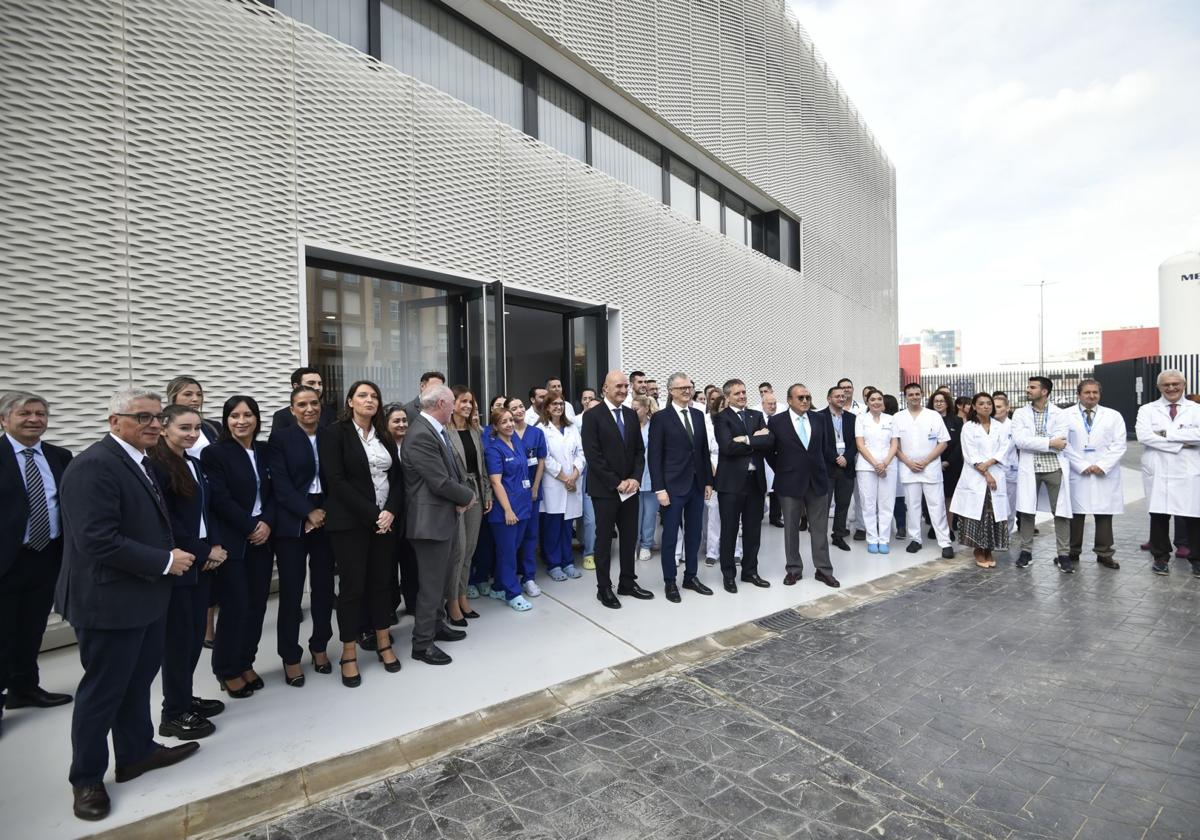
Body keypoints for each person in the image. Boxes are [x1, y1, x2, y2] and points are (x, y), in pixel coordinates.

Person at [57, 388, 199, 821]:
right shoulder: (94, 466)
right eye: (143, 417)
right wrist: (164, 561)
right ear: (114, 420)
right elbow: (97, 540)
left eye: (157, 417)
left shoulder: (141, 460)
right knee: (103, 692)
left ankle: (136, 753)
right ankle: (86, 779)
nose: (154, 425)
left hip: (144, 596)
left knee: (137, 682)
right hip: (108, 601)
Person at [147, 406, 226, 738]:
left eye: (196, 428)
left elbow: (208, 511)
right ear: (164, 429)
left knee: (193, 636)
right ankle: (173, 713)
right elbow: (168, 523)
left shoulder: (192, 463)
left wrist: (214, 548)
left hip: (203, 562)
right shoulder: (157, 467)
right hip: (182, 565)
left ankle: (184, 698)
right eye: (184, 428)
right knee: (179, 641)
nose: (192, 434)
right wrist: (204, 550)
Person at [319, 380, 403, 685]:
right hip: (351, 523)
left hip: (385, 522)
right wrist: (374, 514)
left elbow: (397, 476)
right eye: (363, 395)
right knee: (353, 589)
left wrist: (390, 511)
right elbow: (336, 481)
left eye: (374, 396)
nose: (370, 400)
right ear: (350, 401)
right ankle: (349, 652)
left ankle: (384, 642)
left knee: (383, 583)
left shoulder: (384, 434)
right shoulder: (334, 434)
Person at [1, 393, 73, 735]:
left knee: (31, 627)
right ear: (4, 420)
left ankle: (24, 688)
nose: (34, 419)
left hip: (46, 556)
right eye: (25, 413)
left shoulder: (60, 456)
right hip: (6, 560)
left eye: (40, 413)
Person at [202, 396, 275, 696]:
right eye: (234, 416)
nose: (241, 421)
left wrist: (267, 522)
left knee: (258, 606)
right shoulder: (215, 453)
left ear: (257, 419)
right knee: (235, 606)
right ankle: (226, 669)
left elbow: (275, 491)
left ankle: (246, 661)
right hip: (235, 540)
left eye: (247, 415)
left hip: (264, 537)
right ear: (226, 420)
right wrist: (250, 526)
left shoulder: (265, 450)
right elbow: (219, 498)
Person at [267, 386, 336, 686]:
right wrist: (308, 512)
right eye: (302, 404)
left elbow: (339, 479)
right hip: (294, 522)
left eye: (314, 403)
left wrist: (324, 512)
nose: (309, 408)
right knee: (292, 594)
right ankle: (290, 656)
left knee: (323, 589)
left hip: (327, 517)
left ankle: (319, 646)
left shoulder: (331, 435)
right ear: (292, 409)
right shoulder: (280, 438)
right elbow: (280, 485)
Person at [404, 384, 476, 664]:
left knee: (441, 579)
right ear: (442, 404)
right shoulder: (421, 433)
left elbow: (450, 472)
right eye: (452, 403)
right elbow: (438, 480)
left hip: (442, 518)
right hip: (429, 523)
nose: (456, 407)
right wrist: (468, 496)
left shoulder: (434, 429)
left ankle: (436, 625)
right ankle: (422, 645)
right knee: (431, 586)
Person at [581, 370, 654, 608]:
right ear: (605, 388)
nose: (623, 390)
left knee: (629, 536)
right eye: (618, 386)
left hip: (630, 488)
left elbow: (638, 452)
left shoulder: (632, 416)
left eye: (625, 386)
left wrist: (634, 478)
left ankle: (627, 582)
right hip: (605, 490)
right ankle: (604, 588)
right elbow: (594, 456)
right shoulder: (592, 416)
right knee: (604, 540)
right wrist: (616, 482)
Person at [649, 373, 714, 602]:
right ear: (671, 391)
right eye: (682, 387)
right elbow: (654, 456)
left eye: (689, 386)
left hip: (696, 486)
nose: (687, 390)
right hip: (672, 487)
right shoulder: (661, 418)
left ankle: (691, 577)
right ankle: (670, 582)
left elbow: (703, 450)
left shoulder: (698, 415)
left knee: (694, 534)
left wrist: (708, 481)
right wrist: (659, 489)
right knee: (670, 536)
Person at [767, 384, 840, 588]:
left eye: (808, 397)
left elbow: (827, 448)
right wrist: (783, 469)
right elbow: (769, 451)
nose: (805, 401)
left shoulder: (820, 419)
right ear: (790, 400)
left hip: (817, 481)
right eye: (800, 398)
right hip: (789, 481)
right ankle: (793, 569)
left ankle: (823, 570)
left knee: (819, 528)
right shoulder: (777, 421)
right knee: (791, 528)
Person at [1136, 370, 1200, 577]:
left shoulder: (1196, 409)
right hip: (1159, 469)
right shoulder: (1147, 410)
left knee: (1193, 516)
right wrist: (1183, 442)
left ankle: (1197, 558)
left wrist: (1165, 434)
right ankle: (1161, 557)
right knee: (1159, 514)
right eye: (1166, 385)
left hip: (1188, 469)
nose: (1171, 388)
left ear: (1184, 385)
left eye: (1175, 384)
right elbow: (1144, 436)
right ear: (1159, 387)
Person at [713, 379, 773, 592]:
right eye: (737, 393)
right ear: (727, 397)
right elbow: (727, 447)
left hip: (755, 483)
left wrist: (745, 440)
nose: (742, 396)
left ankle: (750, 572)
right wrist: (754, 441)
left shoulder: (756, 416)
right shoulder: (721, 418)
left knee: (753, 530)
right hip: (731, 484)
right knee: (729, 531)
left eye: (744, 392)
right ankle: (728, 575)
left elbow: (769, 441)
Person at [1012, 376, 1074, 571]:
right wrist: (1049, 442)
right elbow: (1020, 441)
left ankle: (1063, 554)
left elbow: (1061, 442)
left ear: (1044, 391)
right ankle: (1026, 552)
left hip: (1054, 467)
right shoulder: (1020, 414)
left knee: (1061, 512)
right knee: (1027, 510)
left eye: (1032, 387)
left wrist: (1038, 442)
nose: (1028, 390)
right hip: (1030, 467)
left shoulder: (1060, 414)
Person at [1064, 379, 1126, 570]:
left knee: (1104, 514)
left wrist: (1102, 465)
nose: (1091, 396)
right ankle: (1072, 551)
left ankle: (1104, 553)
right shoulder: (1065, 416)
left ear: (1100, 394)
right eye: (1087, 392)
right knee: (1075, 514)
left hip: (1104, 472)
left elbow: (1119, 444)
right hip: (1077, 471)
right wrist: (1082, 464)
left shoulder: (1113, 416)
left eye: (1095, 393)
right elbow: (1062, 443)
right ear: (1079, 394)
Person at [949, 393, 1011, 568]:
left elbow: (1004, 448)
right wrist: (986, 472)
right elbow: (970, 453)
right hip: (976, 475)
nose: (986, 406)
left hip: (995, 470)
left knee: (993, 515)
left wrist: (990, 464)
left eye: (988, 404)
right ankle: (978, 549)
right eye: (981, 404)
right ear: (974, 407)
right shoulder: (969, 427)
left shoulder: (999, 427)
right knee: (978, 515)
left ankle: (989, 549)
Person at [894, 383, 954, 559]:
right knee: (912, 506)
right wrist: (909, 463)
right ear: (905, 396)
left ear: (922, 395)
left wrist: (927, 460)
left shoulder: (933, 416)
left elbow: (943, 442)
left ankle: (945, 542)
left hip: (931, 468)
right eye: (910, 394)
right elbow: (895, 445)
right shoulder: (898, 417)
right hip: (908, 468)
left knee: (937, 505)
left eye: (917, 393)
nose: (914, 397)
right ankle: (915, 539)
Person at [485, 407, 537, 611]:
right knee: (507, 553)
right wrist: (507, 510)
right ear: (495, 426)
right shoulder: (493, 449)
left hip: (522, 505)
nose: (509, 424)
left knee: (513, 550)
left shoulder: (516, 442)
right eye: (503, 422)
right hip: (506, 510)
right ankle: (512, 592)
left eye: (510, 420)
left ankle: (498, 585)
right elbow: (496, 483)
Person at [446, 387, 490, 623]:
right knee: (457, 551)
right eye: (463, 401)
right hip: (455, 497)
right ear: (452, 404)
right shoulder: (443, 432)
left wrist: (486, 494)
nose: (467, 405)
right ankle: (451, 602)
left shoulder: (475, 431)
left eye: (470, 402)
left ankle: (462, 596)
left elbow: (481, 466)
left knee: (469, 549)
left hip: (475, 494)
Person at [537, 395, 585, 581]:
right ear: (547, 407)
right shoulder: (541, 429)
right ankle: (554, 564)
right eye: (554, 404)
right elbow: (546, 458)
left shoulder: (572, 427)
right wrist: (565, 478)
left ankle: (568, 562)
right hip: (554, 485)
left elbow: (581, 453)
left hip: (572, 483)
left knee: (567, 527)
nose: (558, 407)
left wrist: (574, 475)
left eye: (561, 404)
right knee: (552, 527)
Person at [506, 396, 546, 597]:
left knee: (530, 536)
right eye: (514, 408)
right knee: (513, 539)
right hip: (511, 495)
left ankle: (529, 577)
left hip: (532, 494)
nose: (519, 410)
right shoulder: (506, 435)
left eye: (521, 406)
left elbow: (540, 461)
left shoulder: (536, 433)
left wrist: (535, 487)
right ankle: (510, 578)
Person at [384, 403, 419, 615]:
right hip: (388, 512)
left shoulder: (413, 444)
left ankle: (413, 603)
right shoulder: (381, 446)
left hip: (412, 511)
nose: (402, 424)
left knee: (411, 561)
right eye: (396, 421)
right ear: (386, 424)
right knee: (388, 564)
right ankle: (389, 608)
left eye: (404, 420)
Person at [853, 388, 898, 554]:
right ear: (867, 402)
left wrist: (884, 463)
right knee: (868, 504)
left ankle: (884, 540)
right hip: (866, 467)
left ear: (883, 403)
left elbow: (894, 444)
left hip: (889, 466)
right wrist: (875, 464)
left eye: (879, 399)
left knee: (886, 504)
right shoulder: (861, 419)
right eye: (872, 399)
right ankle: (872, 539)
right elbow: (860, 445)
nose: (876, 402)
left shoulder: (891, 420)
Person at [816, 386, 857, 551]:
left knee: (843, 504)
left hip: (846, 467)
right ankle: (820, 538)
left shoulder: (852, 418)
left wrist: (846, 457)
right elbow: (819, 443)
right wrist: (835, 457)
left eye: (843, 396)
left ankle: (838, 536)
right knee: (823, 506)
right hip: (827, 467)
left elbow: (856, 441)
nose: (841, 398)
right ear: (829, 399)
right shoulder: (819, 417)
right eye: (837, 396)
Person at [929, 391, 964, 539]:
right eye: (936, 401)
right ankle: (934, 527)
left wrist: (947, 461)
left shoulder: (957, 421)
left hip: (951, 465)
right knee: (933, 499)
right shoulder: (928, 420)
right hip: (930, 464)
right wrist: (935, 461)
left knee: (948, 498)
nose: (939, 403)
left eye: (942, 401)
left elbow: (959, 445)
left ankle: (949, 527)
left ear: (947, 403)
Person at [632, 395, 659, 561]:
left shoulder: (654, 427)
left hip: (651, 476)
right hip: (633, 478)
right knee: (634, 515)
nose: (633, 412)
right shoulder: (628, 427)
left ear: (646, 409)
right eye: (632, 408)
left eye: (637, 409)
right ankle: (632, 544)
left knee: (649, 514)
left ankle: (646, 545)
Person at [164, 376, 221, 454]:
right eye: (188, 394)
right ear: (173, 397)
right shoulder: (158, 426)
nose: (195, 399)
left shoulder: (213, 426)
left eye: (199, 394)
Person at [270, 367, 336, 431]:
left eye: (320, 383)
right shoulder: (282, 416)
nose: (317, 387)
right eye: (311, 383)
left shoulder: (331, 413)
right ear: (296, 386)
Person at [992, 392, 1020, 537]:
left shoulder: (1015, 426)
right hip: (993, 470)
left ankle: (1006, 535)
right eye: (993, 406)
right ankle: (994, 536)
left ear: (1007, 408)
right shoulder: (987, 425)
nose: (995, 409)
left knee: (1010, 507)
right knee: (995, 506)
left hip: (1011, 470)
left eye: (999, 407)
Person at [577, 388, 599, 569]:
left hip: (605, 479)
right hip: (584, 479)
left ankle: (597, 549)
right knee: (589, 519)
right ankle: (589, 552)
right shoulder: (575, 425)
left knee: (599, 520)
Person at [761, 391, 784, 528]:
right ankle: (758, 516)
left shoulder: (780, 419)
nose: (772, 406)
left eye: (774, 403)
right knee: (761, 488)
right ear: (763, 404)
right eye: (769, 404)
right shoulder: (757, 417)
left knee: (776, 489)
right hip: (762, 458)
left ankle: (775, 517)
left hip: (776, 458)